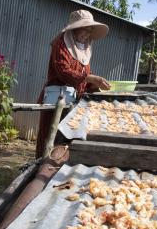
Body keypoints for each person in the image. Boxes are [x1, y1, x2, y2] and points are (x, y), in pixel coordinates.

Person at [35, 10, 111, 157]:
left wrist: (96, 85)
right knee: (50, 137)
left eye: (90, 30)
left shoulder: (84, 48)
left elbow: (84, 75)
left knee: (67, 140)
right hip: (57, 100)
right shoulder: (61, 44)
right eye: (85, 29)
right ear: (75, 28)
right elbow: (64, 71)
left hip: (73, 102)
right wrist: (90, 78)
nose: (87, 34)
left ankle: (59, 168)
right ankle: (42, 168)